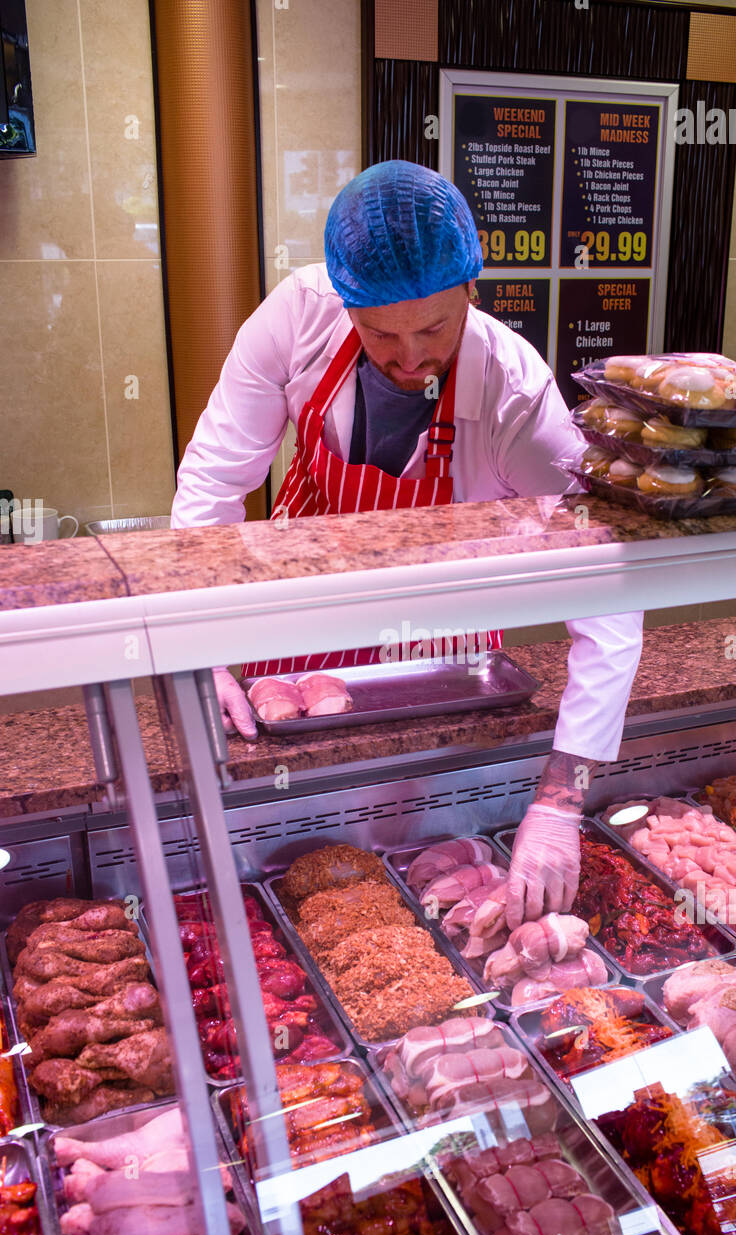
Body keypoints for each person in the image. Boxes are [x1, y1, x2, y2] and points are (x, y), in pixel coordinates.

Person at [171, 160, 644, 929]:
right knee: (284, 851)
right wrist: (206, 646)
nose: (410, 356)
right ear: (345, 301)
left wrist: (560, 799)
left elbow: (608, 591)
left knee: (417, 833)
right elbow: (213, 487)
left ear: (472, 290)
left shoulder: (516, 392)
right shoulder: (297, 315)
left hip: (441, 645)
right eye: (380, 332)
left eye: (432, 327)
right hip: (299, 616)